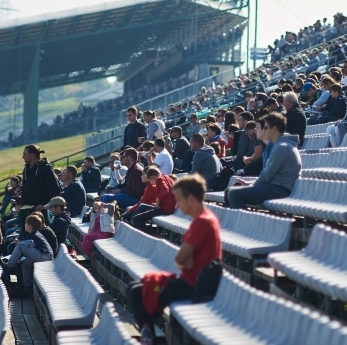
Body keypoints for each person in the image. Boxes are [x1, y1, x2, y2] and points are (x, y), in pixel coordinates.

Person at [127, 175, 222, 332]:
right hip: (189, 280)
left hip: (194, 286)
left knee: (136, 292)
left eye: (180, 200)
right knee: (136, 288)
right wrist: (185, 259)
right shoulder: (203, 219)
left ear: (191, 199)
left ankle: (148, 336)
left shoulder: (203, 222)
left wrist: (185, 259)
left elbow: (179, 258)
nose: (177, 205)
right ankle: (149, 332)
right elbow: (184, 258)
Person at [225, 113, 301, 209]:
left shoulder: (281, 147)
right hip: (275, 186)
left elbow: (268, 174)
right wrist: (251, 183)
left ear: (274, 129)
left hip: (279, 189)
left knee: (233, 194)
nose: (264, 131)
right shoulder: (280, 145)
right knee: (229, 192)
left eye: (265, 128)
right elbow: (269, 175)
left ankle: (245, 222)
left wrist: (253, 184)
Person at [3, 215, 54, 296]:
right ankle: (27, 286)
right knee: (25, 263)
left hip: (44, 256)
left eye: (26, 224)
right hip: (47, 256)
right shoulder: (37, 234)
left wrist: (18, 243)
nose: (24, 225)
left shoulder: (32, 235)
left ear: (30, 226)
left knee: (20, 245)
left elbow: (23, 246)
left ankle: (9, 266)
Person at [18, 145, 60, 240]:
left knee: (42, 238)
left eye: (25, 154)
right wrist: (21, 192)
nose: (23, 156)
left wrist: (47, 205)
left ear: (32, 155)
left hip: (39, 212)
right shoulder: (26, 170)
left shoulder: (45, 169)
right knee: (27, 240)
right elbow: (26, 187)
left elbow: (55, 190)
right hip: (25, 211)